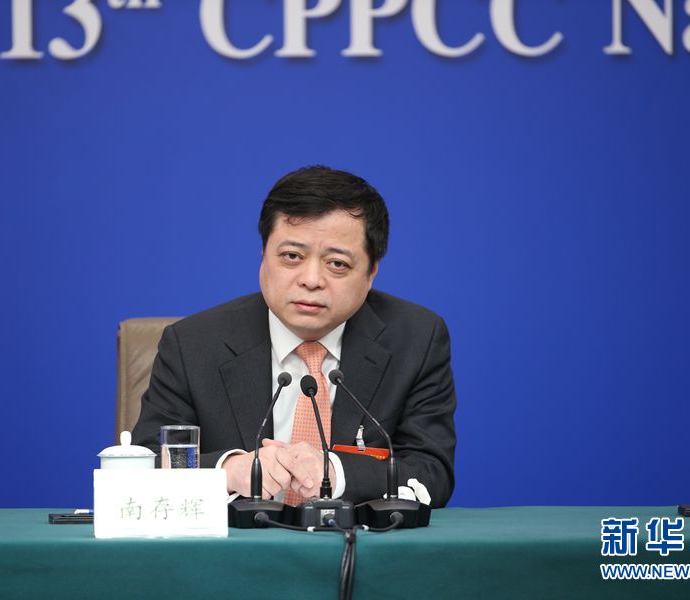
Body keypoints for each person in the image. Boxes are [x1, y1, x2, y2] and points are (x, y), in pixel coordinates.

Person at [132, 166, 456, 507]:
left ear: (371, 272)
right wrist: (226, 470)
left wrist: (337, 472)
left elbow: (431, 472)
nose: (311, 279)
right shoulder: (193, 345)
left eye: (337, 264)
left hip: (355, 540)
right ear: (263, 255)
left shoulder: (416, 340)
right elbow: (146, 465)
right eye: (292, 257)